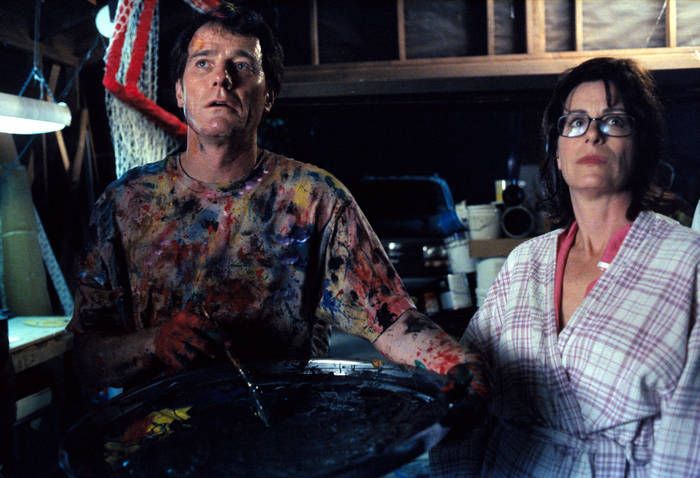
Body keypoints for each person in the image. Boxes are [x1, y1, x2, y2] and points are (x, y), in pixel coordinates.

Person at [67, 3, 488, 414]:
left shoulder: (314, 199)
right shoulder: (125, 204)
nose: (222, 78)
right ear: (179, 91)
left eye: (242, 65)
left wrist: (455, 362)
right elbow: (85, 360)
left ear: (268, 95)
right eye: (203, 63)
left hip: (284, 433)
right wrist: (153, 342)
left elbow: (391, 321)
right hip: (158, 439)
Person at [433, 57, 700, 476]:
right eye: (575, 122)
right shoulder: (524, 262)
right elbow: (466, 398)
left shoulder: (688, 262)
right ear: (557, 153)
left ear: (641, 147)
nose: (592, 133)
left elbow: (688, 438)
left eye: (614, 121)